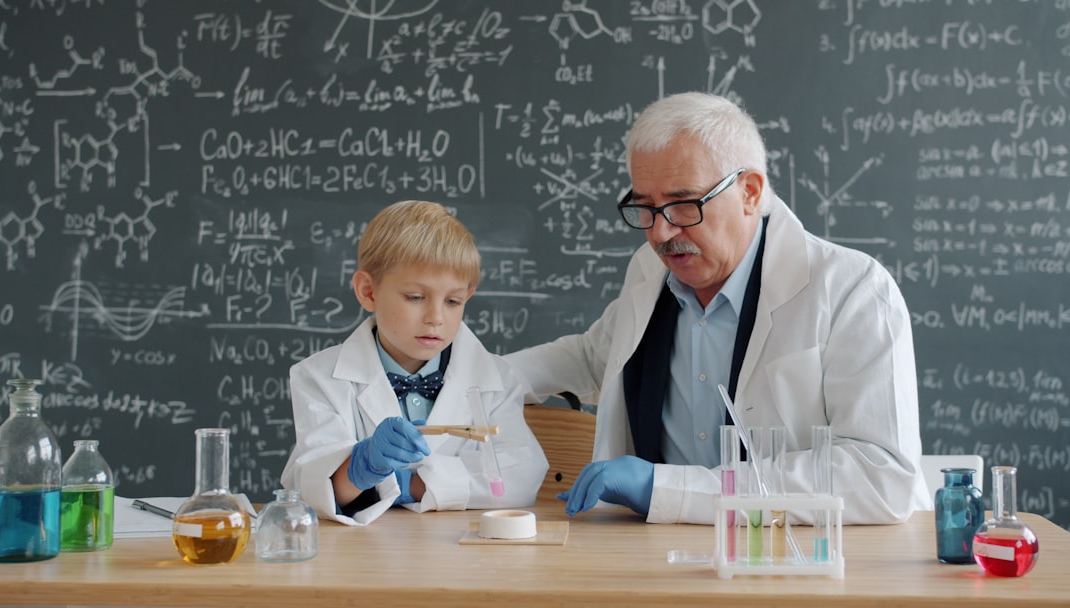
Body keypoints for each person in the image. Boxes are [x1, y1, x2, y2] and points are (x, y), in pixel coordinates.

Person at [505, 92, 930, 525]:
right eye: (646, 208)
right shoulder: (650, 273)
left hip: (808, 569)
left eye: (684, 204)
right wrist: (466, 382)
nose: (661, 233)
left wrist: (668, 489)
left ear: (749, 191)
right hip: (657, 561)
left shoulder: (852, 290)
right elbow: (592, 357)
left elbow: (881, 476)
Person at [281, 200, 547, 525]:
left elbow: (521, 476)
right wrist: (358, 467)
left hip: (468, 558)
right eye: (415, 297)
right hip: (361, 559)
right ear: (368, 292)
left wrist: (409, 485)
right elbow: (309, 488)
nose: (436, 318)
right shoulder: (319, 378)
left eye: (452, 301)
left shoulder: (498, 379)